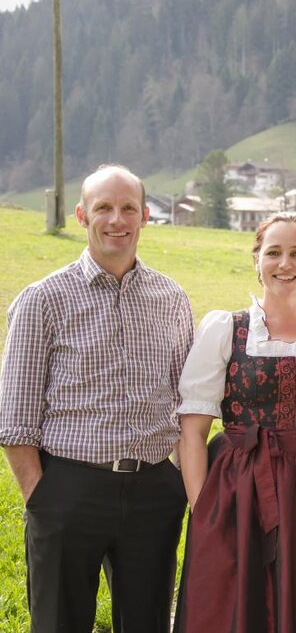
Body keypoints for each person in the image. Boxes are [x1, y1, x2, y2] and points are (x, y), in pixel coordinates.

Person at [0, 165, 193, 632]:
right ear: (82, 215)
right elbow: (14, 419)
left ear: (145, 216)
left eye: (128, 208)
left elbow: (188, 403)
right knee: (59, 623)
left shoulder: (171, 298)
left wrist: (178, 485)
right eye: (103, 207)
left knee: (148, 623)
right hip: (69, 490)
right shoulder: (43, 299)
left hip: (153, 493)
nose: (116, 219)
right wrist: (41, 497)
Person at [174, 213, 296, 632]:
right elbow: (193, 431)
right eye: (273, 252)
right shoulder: (228, 329)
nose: (285, 264)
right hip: (240, 492)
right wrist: (205, 510)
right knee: (237, 605)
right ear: (257, 260)